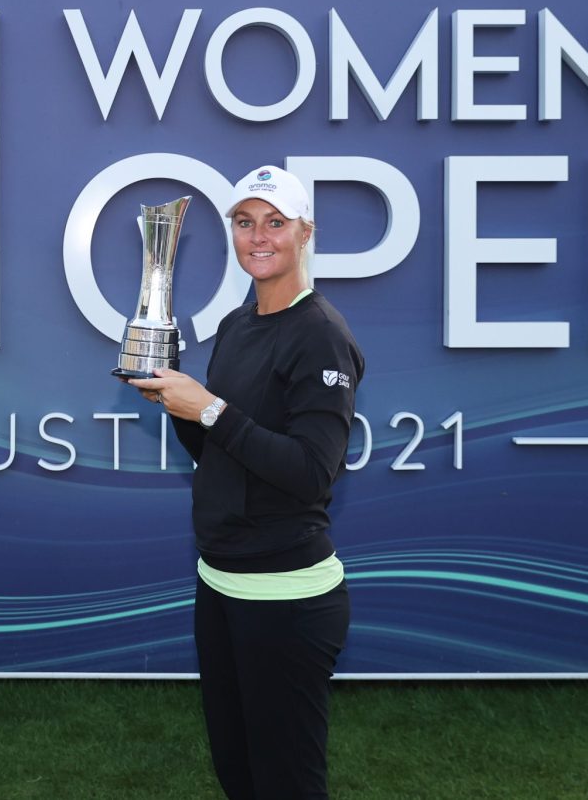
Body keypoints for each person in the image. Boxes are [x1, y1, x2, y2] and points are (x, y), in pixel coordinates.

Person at [128, 165, 364, 799]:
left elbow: (311, 474)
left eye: (276, 223)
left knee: (285, 785)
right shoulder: (238, 324)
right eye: (245, 222)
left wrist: (209, 407)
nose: (259, 237)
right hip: (221, 584)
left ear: (305, 233)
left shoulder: (321, 336)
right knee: (238, 777)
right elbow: (219, 452)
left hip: (286, 598)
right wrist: (177, 400)